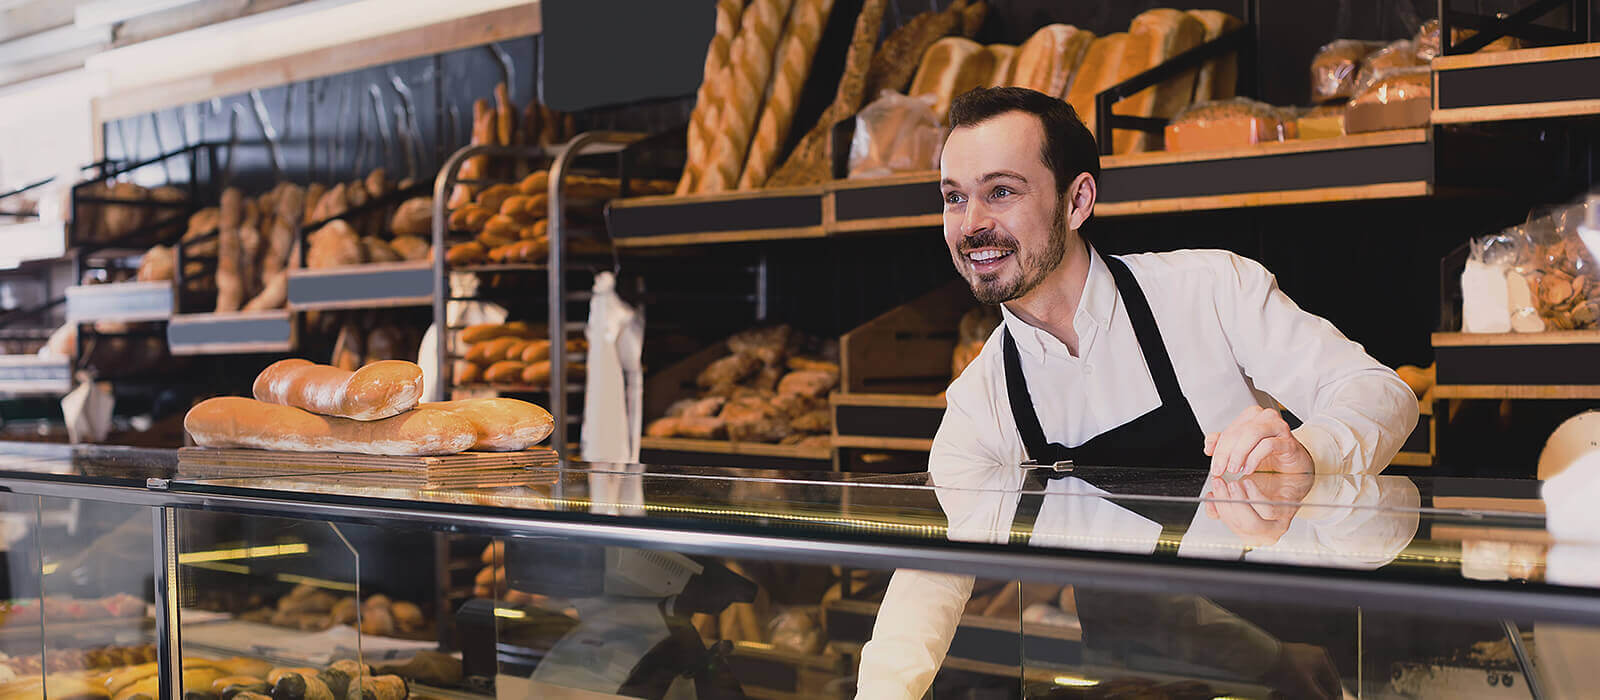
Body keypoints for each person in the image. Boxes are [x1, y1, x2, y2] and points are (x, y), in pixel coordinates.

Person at [853, 87, 1418, 699]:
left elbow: (1380, 393)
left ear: (1077, 200)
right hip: (1142, 683)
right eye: (955, 198)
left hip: (1307, 671)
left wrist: (1309, 453)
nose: (971, 224)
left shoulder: (1207, 291)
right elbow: (932, 578)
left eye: (1001, 192)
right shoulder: (980, 401)